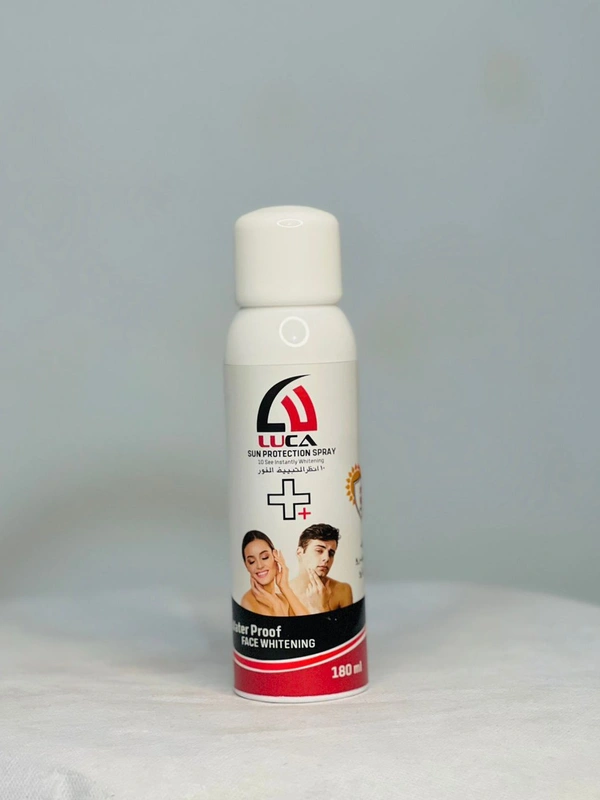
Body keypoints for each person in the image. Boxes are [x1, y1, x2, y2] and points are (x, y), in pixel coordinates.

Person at [240, 530, 308, 616]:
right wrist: (276, 606)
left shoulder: (283, 600)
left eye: (265, 557)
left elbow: (308, 623)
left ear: (275, 556)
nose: (259, 566)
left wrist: (285, 587)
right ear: (246, 565)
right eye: (251, 561)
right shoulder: (247, 602)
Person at [289, 523, 353, 614]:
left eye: (331, 553)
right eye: (319, 551)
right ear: (300, 553)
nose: (326, 558)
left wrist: (321, 608)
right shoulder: (280, 594)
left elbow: (350, 623)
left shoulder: (342, 590)